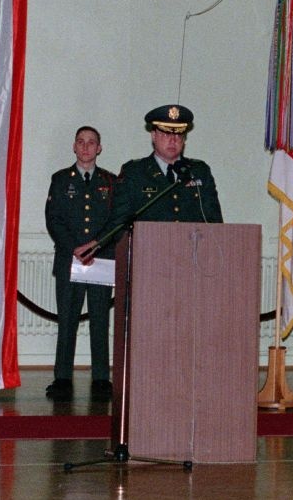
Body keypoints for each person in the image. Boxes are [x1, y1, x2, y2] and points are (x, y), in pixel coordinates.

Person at [75, 104, 222, 264]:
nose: (173, 140)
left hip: (194, 259)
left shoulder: (199, 171)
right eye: (166, 134)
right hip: (151, 260)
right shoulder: (135, 172)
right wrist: (97, 243)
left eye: (179, 135)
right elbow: (119, 219)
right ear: (153, 135)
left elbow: (214, 220)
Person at [44, 126, 117, 402]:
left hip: (100, 261)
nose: (86, 147)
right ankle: (62, 377)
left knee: (100, 320)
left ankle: (101, 379)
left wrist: (96, 245)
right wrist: (74, 247)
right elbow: (53, 219)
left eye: (92, 143)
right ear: (74, 147)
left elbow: (115, 221)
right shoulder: (61, 180)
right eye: (81, 142)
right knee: (67, 321)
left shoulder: (110, 182)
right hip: (69, 261)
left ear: (99, 148)